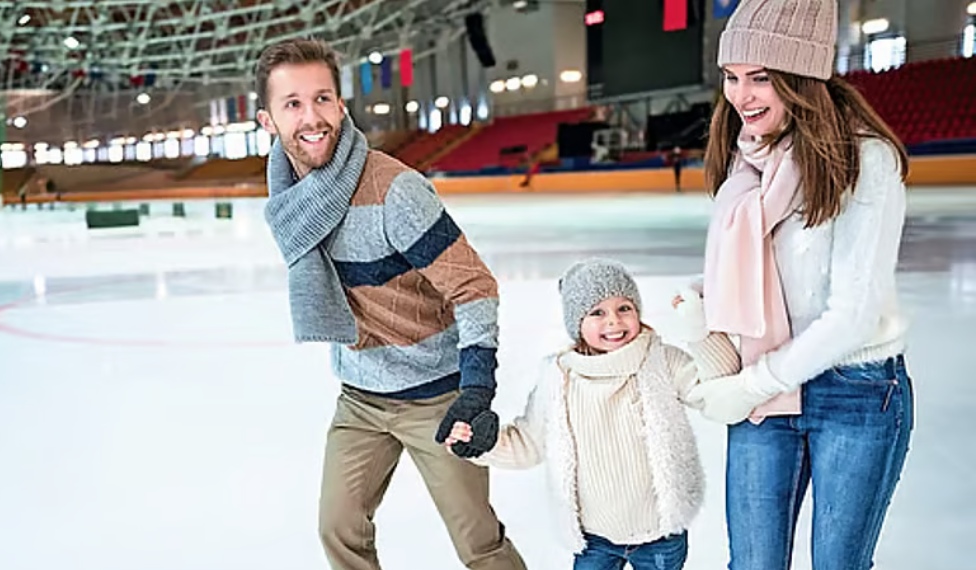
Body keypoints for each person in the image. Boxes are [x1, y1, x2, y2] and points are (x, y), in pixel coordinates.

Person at [255, 38, 527, 570]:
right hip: (360, 397)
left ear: (341, 104)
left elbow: (474, 287)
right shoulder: (290, 201)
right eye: (293, 104)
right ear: (268, 120)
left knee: (479, 542)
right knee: (338, 528)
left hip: (435, 397)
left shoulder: (394, 192)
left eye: (323, 99)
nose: (312, 117)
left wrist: (475, 391)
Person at [686, 0, 915, 568]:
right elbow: (757, 275)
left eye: (760, 78)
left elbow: (852, 313)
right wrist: (699, 305)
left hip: (856, 392)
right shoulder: (750, 161)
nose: (741, 96)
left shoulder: (867, 159)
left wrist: (752, 385)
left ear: (802, 75)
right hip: (770, 390)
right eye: (732, 78)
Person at [446, 258, 742, 570]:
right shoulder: (558, 377)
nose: (614, 321)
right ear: (577, 323)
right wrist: (480, 445)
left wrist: (700, 330)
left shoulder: (662, 361)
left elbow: (719, 386)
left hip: (660, 534)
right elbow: (528, 445)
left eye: (624, 308)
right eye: (597, 313)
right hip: (594, 539)